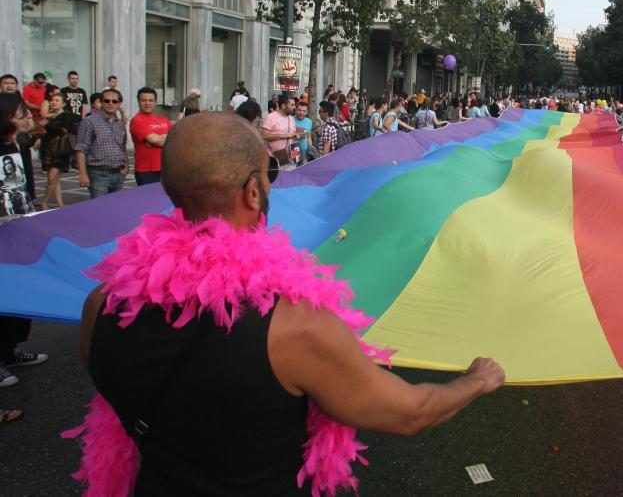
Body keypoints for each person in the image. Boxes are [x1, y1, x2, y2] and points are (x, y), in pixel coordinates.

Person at [74, 112, 505, 494]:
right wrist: (476, 382)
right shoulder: (295, 327)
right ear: (252, 191)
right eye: (269, 172)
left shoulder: (102, 303)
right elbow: (409, 414)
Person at [0, 93, 47, 389]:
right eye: (22, 113)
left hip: (19, 232)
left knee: (20, 296)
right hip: (5, 235)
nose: (29, 116)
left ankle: (9, 351)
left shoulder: (19, 144)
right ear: (8, 119)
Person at [75, 88, 128, 199]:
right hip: (98, 174)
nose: (110, 103)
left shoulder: (120, 124)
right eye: (106, 101)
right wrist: (83, 174)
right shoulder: (89, 121)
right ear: (101, 102)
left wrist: (126, 167)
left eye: (114, 101)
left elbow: (122, 147)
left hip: (118, 173)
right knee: (99, 209)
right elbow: (81, 149)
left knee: (115, 208)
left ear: (119, 104)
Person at [39, 91, 77, 209]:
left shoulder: (66, 115)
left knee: (52, 177)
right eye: (52, 101)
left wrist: (47, 125)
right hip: (48, 149)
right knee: (54, 179)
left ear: (63, 104)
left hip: (60, 150)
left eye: (57, 101)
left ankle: (44, 202)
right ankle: (59, 203)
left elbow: (64, 130)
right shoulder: (51, 116)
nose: (53, 103)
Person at [129, 87, 173, 186]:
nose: (147, 103)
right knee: (148, 201)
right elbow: (155, 140)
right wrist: (161, 139)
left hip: (166, 169)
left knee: (165, 200)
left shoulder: (163, 119)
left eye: (150, 100)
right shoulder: (137, 120)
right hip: (146, 171)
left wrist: (156, 140)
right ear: (138, 102)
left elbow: (176, 138)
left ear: (155, 102)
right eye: (143, 100)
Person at [262, 94, 300, 167]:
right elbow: (264, 135)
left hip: (291, 158)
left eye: (294, 105)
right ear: (283, 106)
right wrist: (284, 136)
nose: (294, 107)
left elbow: (292, 134)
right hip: (274, 159)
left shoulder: (291, 119)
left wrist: (296, 135)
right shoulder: (271, 117)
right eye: (292, 105)